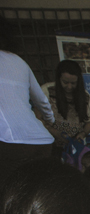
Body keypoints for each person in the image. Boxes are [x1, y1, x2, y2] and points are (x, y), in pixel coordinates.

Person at [0, 17, 56, 185]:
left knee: (9, 196)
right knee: (37, 192)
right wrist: (50, 120)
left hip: (10, 143)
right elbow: (42, 101)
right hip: (42, 142)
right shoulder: (20, 62)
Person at [40, 60, 90, 154]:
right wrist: (54, 132)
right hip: (50, 145)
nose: (69, 87)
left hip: (75, 148)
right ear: (58, 78)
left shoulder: (85, 96)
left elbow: (89, 123)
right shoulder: (47, 90)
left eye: (73, 83)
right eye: (65, 82)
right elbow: (38, 117)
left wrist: (83, 134)